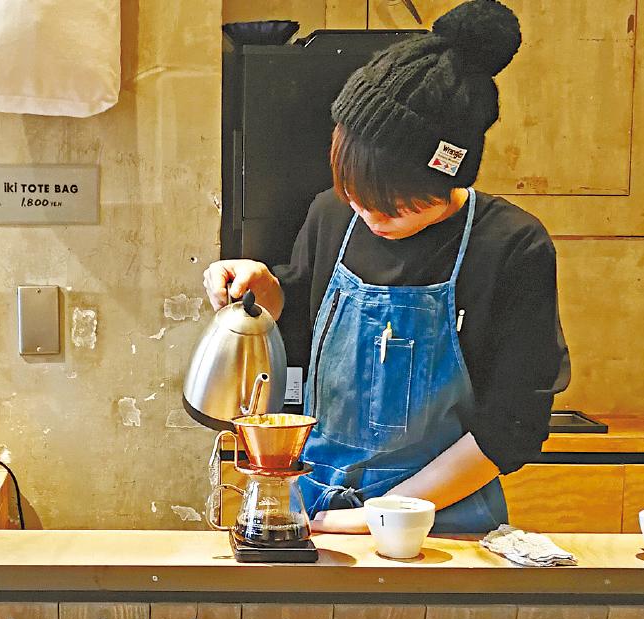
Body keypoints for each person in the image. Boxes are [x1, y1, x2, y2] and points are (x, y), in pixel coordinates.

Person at [203, 0, 569, 534]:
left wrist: (380, 516)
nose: (371, 217)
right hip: (318, 507)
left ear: (448, 175)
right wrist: (264, 289)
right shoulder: (332, 216)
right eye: (355, 194)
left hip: (441, 517)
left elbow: (511, 425)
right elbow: (301, 328)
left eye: (394, 206)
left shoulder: (511, 245)